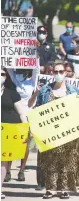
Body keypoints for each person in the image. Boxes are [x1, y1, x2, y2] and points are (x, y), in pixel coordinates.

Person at [35, 63, 79, 199]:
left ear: (66, 73)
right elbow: (37, 108)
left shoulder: (73, 91)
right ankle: (51, 189)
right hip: (49, 131)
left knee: (67, 160)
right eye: (55, 71)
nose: (58, 74)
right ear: (51, 73)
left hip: (69, 131)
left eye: (61, 71)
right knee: (49, 160)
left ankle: (64, 189)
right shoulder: (45, 90)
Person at [5, 60, 40, 182]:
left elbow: (37, 69)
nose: (18, 73)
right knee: (10, 143)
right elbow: (8, 68)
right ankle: (8, 170)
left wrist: (36, 55)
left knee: (25, 145)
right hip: (15, 115)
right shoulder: (14, 80)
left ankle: (21, 171)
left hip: (28, 116)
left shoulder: (32, 82)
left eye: (21, 71)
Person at [1, 67, 28, 199]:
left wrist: (25, 130)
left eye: (2, 74)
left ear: (6, 77)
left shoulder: (12, 93)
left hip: (9, 131)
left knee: (3, 161)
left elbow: (22, 113)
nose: (0, 76)